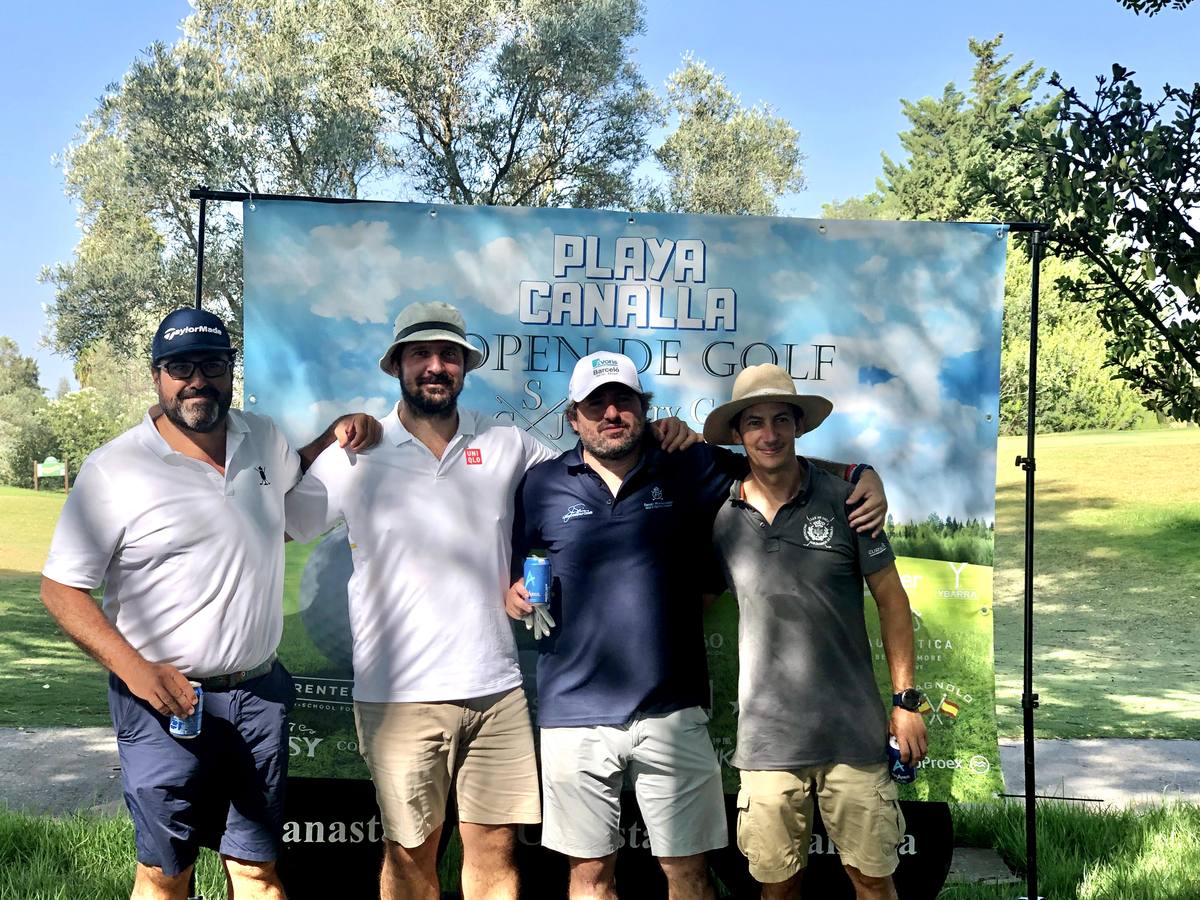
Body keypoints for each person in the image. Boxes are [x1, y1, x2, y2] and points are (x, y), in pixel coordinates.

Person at [282, 303, 695, 900]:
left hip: (495, 688)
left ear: (464, 368)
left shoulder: (504, 443)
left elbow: (586, 473)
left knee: (496, 852)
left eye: (448, 355)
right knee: (410, 857)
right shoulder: (357, 451)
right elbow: (288, 523)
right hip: (399, 695)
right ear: (397, 365)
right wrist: (331, 434)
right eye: (420, 355)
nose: (435, 366)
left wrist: (667, 436)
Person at [505, 353, 888, 900]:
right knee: (589, 879)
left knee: (688, 874)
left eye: (624, 401)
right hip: (573, 714)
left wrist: (858, 474)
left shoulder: (689, 464)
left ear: (644, 409)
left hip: (673, 709)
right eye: (597, 404)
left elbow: (777, 465)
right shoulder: (540, 484)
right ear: (573, 417)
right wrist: (513, 592)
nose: (611, 413)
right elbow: (510, 569)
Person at [40, 308, 378, 900]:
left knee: (255, 871)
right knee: (166, 875)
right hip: (163, 700)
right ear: (157, 377)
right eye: (180, 367)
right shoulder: (115, 469)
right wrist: (136, 672)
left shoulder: (262, 438)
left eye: (213, 364)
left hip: (257, 694)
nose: (197, 380)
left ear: (230, 370)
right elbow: (62, 589)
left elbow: (294, 474)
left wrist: (339, 432)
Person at [701, 364, 928, 900]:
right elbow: (691, 605)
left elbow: (893, 599)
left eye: (782, 419)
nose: (769, 433)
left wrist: (906, 700)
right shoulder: (721, 519)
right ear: (738, 435)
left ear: (799, 427)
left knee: (873, 880)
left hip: (854, 736)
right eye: (754, 422)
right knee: (778, 887)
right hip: (767, 742)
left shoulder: (846, 501)